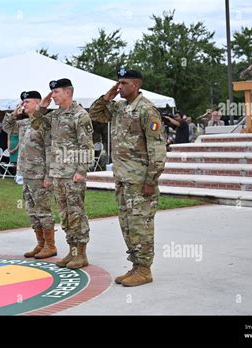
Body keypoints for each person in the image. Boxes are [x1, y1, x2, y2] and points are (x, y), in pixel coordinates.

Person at [89, 68, 166, 287]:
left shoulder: (147, 110)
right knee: (127, 224)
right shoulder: (119, 108)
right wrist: (107, 96)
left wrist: (151, 180)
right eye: (118, 83)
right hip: (123, 178)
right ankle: (135, 265)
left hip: (140, 181)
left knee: (141, 224)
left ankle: (144, 269)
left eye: (123, 83)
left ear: (136, 85)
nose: (119, 86)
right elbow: (95, 114)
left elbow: (157, 149)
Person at [31, 78, 94, 269]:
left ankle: (81, 254)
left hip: (72, 174)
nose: (53, 96)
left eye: (56, 92)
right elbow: (35, 124)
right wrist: (42, 107)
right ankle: (72, 252)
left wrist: (81, 171)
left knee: (76, 213)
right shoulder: (56, 115)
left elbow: (87, 145)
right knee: (65, 214)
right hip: (58, 172)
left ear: (68, 92)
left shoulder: (80, 115)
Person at [4, 91, 56, 259]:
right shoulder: (25, 123)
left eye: (26, 102)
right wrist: (13, 114)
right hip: (26, 173)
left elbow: (50, 150)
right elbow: (6, 127)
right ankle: (40, 244)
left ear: (37, 103)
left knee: (43, 211)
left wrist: (49, 175)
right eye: (22, 102)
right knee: (32, 212)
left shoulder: (45, 123)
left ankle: (50, 245)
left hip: (40, 175)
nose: (23, 105)